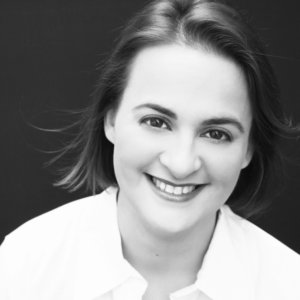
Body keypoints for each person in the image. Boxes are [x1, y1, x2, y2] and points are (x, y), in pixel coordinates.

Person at [0, 0, 299, 299]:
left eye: (216, 134)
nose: (181, 164)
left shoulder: (288, 285)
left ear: (249, 149)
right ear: (111, 120)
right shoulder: (23, 266)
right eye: (156, 121)